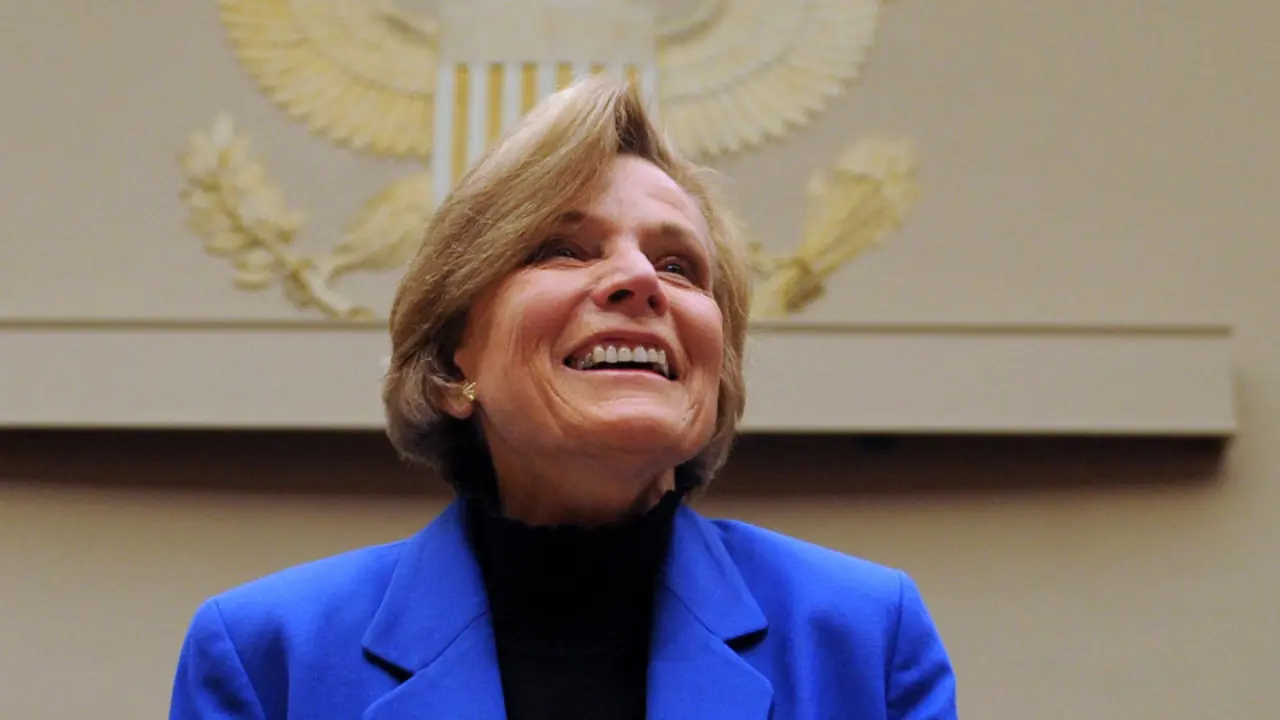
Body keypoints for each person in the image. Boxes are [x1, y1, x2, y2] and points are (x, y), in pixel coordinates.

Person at [168, 76, 958, 719]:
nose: (641, 280)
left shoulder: (862, 636)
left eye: (679, 265)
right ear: (453, 366)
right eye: (561, 249)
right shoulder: (269, 657)